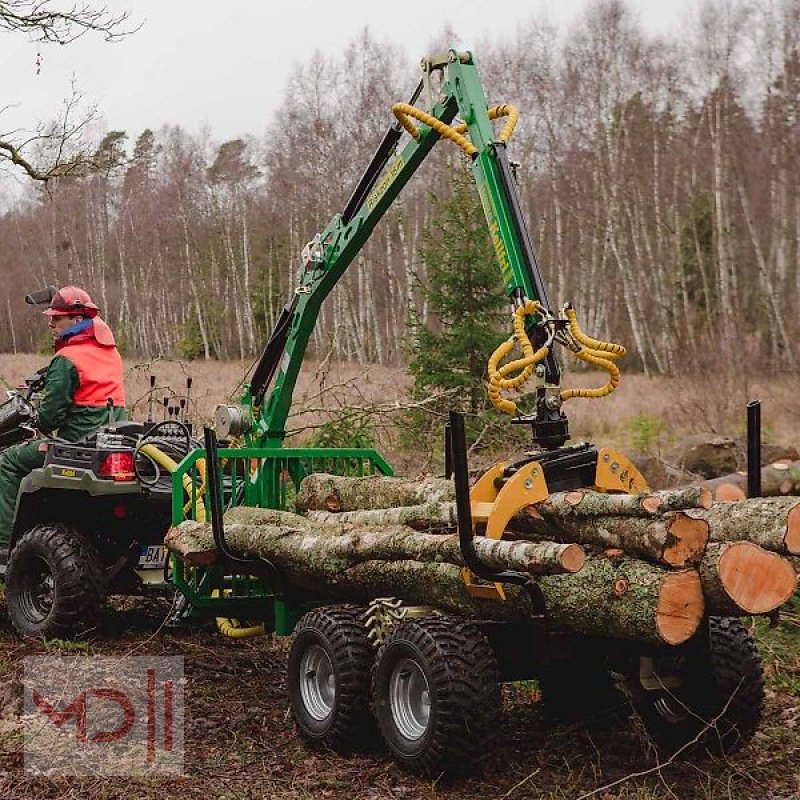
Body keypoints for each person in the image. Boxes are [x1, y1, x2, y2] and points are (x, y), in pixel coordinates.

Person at [0, 286, 127, 555]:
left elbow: (49, 418)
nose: (51, 323)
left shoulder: (67, 358)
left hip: (76, 443)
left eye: (57, 318)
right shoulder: (111, 353)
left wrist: (36, 419)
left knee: (9, 461)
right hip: (113, 440)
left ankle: (4, 545)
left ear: (77, 319)